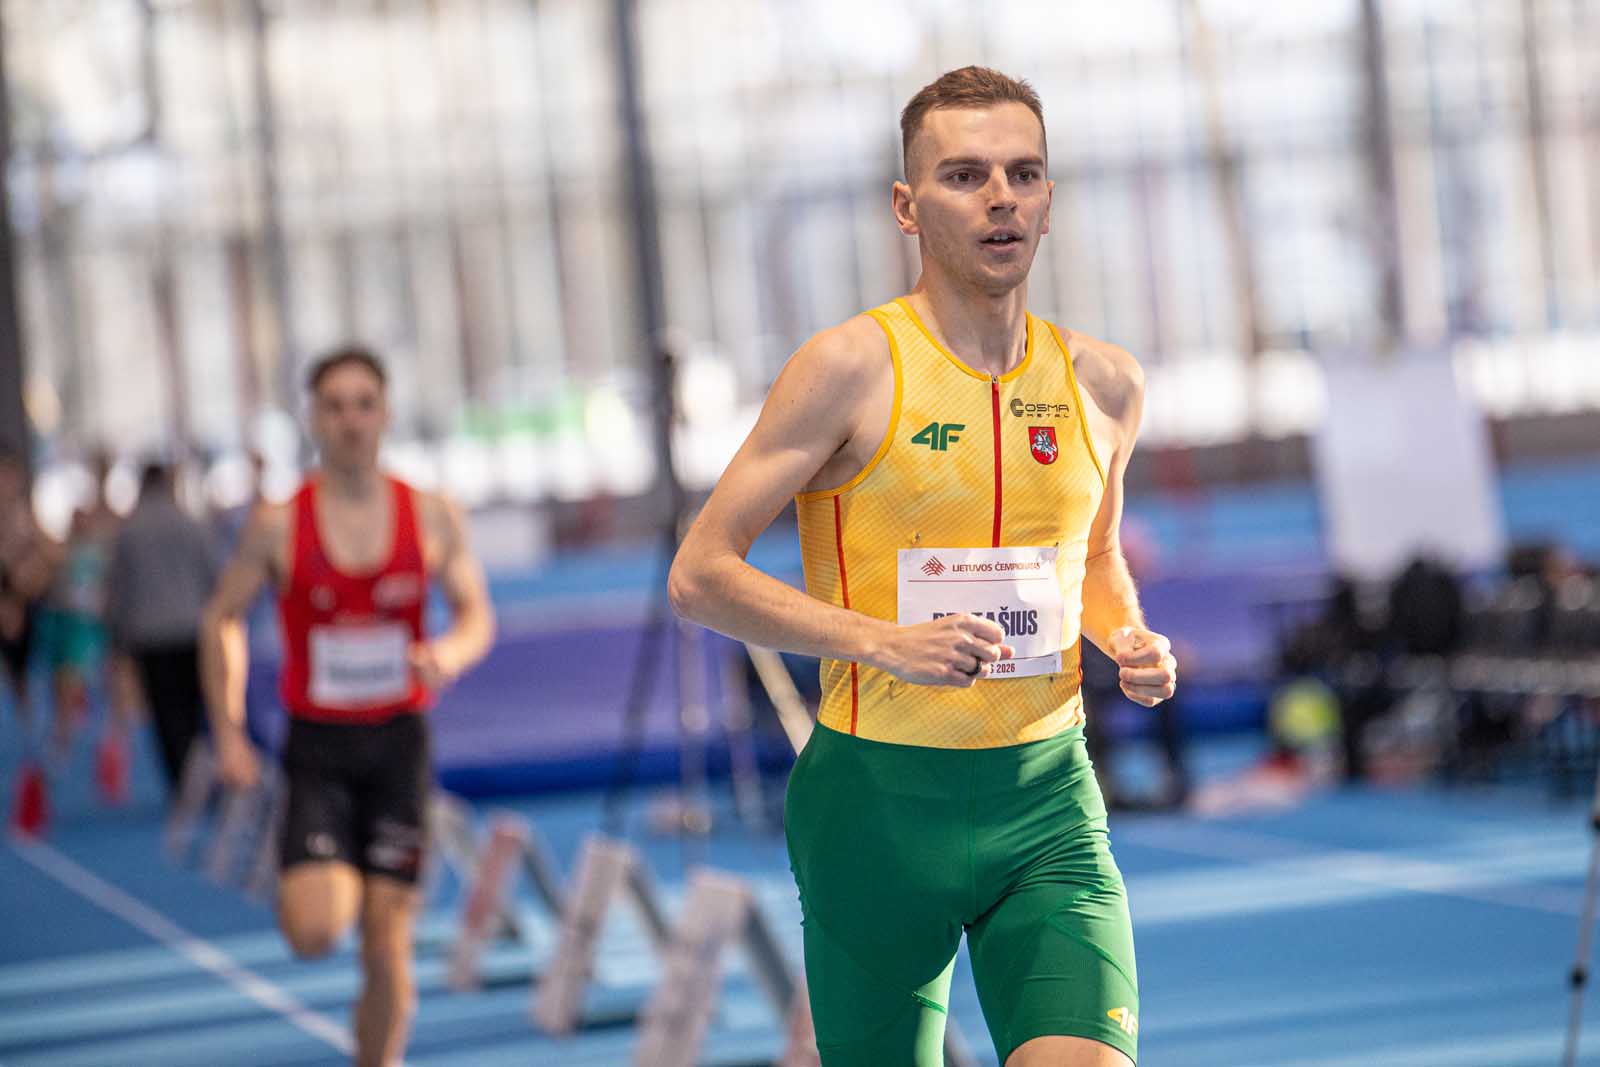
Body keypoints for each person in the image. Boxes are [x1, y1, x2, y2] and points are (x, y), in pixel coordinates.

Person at [669, 67, 1177, 1067]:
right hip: (877, 810)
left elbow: (1093, 555)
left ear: (1048, 200)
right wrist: (882, 642)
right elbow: (700, 573)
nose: (1000, 198)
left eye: (1022, 173)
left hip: (1048, 801)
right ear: (907, 206)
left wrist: (1126, 633)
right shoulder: (848, 368)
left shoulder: (1106, 383)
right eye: (965, 175)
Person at [200, 345, 495, 1067]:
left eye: (364, 404)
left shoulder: (431, 514)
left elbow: (476, 614)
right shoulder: (277, 522)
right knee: (314, 931)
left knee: (388, 945)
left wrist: (449, 654)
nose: (351, 421)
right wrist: (229, 732)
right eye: (335, 407)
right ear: (314, 419)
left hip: (398, 745)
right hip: (319, 748)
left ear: (385, 414)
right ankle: (329, 877)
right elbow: (221, 618)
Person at [105, 460, 223, 791]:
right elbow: (214, 576)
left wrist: (117, 639)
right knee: (196, 705)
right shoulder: (191, 525)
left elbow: (118, 588)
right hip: (191, 629)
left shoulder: (129, 531)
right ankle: (201, 771)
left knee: (164, 710)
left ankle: (180, 777)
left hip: (149, 635)